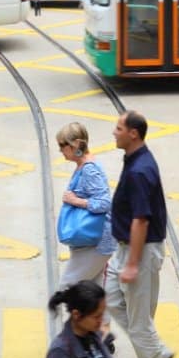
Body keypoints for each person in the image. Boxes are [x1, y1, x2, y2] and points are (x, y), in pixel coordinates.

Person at [105, 110, 171, 358]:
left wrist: (131, 263)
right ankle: (156, 349)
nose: (114, 132)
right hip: (127, 248)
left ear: (133, 133)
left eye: (119, 128)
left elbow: (141, 219)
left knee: (139, 318)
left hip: (140, 251)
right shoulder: (135, 160)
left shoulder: (140, 170)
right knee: (109, 296)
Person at [55, 121, 114, 287]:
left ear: (75, 146)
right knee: (92, 292)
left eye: (62, 145)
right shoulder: (84, 165)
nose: (60, 150)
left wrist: (76, 201)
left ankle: (57, 314)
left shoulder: (89, 169)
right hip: (91, 241)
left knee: (68, 286)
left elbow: (104, 202)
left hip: (96, 242)